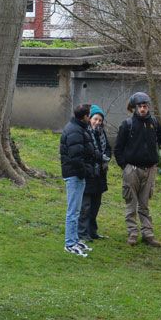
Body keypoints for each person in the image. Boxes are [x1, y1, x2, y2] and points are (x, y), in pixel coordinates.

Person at [113, 92, 161, 247]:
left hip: (150, 169)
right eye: (140, 106)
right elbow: (117, 149)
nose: (143, 109)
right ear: (134, 108)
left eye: (145, 106)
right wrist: (125, 167)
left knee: (144, 204)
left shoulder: (153, 122)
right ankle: (132, 233)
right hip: (132, 169)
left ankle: (148, 234)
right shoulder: (127, 125)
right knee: (131, 203)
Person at [59, 103, 98, 257]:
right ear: (85, 116)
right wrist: (85, 171)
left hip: (77, 174)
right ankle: (69, 243)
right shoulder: (74, 130)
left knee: (76, 210)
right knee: (73, 211)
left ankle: (74, 240)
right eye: (90, 115)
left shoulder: (79, 128)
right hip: (75, 175)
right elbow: (76, 157)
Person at [78, 105, 110, 242]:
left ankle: (93, 231)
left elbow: (108, 148)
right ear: (90, 118)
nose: (97, 122)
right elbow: (87, 153)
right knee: (85, 206)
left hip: (100, 174)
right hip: (89, 174)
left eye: (100, 120)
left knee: (96, 206)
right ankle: (82, 233)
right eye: (95, 119)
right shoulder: (84, 132)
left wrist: (106, 157)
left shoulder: (102, 133)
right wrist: (100, 157)